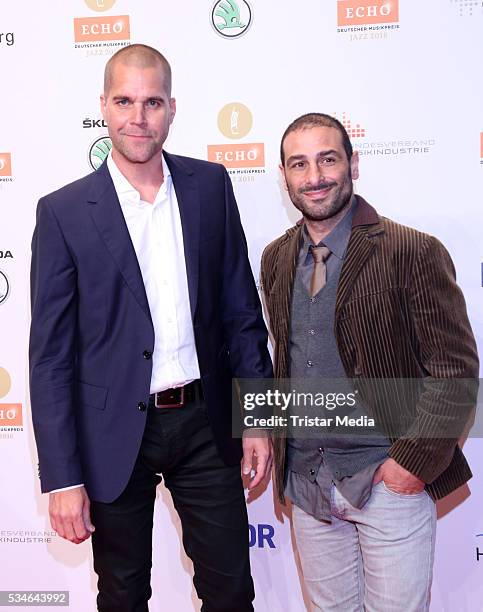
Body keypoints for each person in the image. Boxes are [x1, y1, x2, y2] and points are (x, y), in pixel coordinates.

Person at [29, 44, 273, 612]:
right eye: (125, 101)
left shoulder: (210, 186)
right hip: (111, 433)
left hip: (205, 423)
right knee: (121, 593)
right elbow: (49, 357)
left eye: (152, 102)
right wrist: (61, 478)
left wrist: (257, 420)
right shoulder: (63, 212)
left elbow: (242, 312)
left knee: (232, 590)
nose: (138, 117)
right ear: (104, 107)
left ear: (171, 108)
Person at [260, 112, 478, 611]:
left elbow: (455, 370)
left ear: (353, 164)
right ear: (285, 177)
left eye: (328, 159)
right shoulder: (275, 258)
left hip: (388, 485)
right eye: (300, 164)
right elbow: (285, 364)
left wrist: (410, 465)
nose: (314, 177)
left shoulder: (411, 251)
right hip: (310, 486)